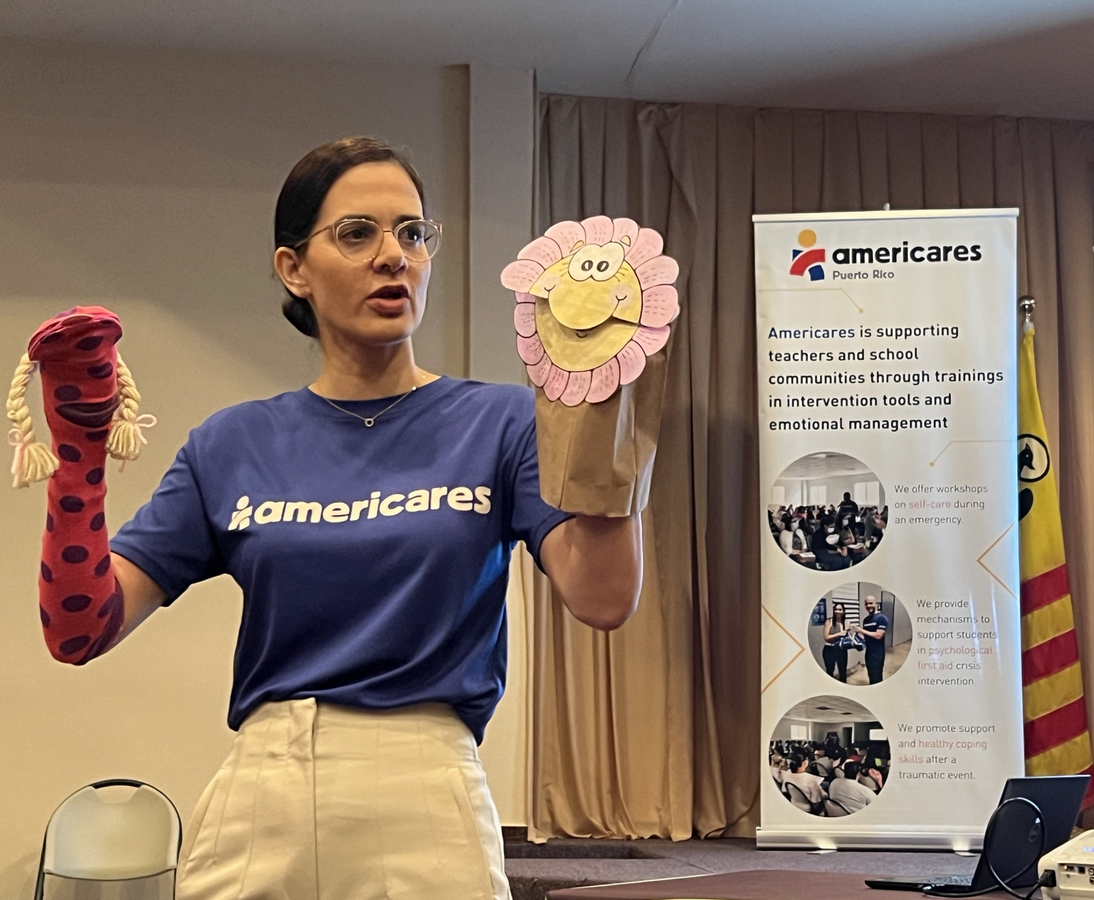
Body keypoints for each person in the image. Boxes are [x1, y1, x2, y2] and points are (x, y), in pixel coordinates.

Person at [26, 137, 644, 900]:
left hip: (425, 782)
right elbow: (79, 631)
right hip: (263, 786)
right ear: (293, 268)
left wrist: (601, 418)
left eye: (413, 233)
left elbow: (604, 598)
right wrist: (80, 463)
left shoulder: (501, 422)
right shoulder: (231, 441)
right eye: (358, 234)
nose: (395, 256)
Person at [857, 593, 890, 684]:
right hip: (869, 653)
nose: (868, 606)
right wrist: (857, 637)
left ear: (876, 604)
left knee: (877, 678)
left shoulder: (881, 618)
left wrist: (862, 630)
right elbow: (866, 636)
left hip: (878, 655)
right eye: (866, 604)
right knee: (871, 676)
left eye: (871, 603)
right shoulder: (866, 620)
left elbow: (879, 635)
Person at [821, 601, 849, 682]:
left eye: (840, 609)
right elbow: (826, 637)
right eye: (836, 609)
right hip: (829, 649)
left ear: (843, 611)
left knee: (843, 672)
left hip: (841, 650)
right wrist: (839, 634)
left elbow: (846, 638)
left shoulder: (847, 622)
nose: (837, 611)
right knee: (830, 671)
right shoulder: (829, 621)